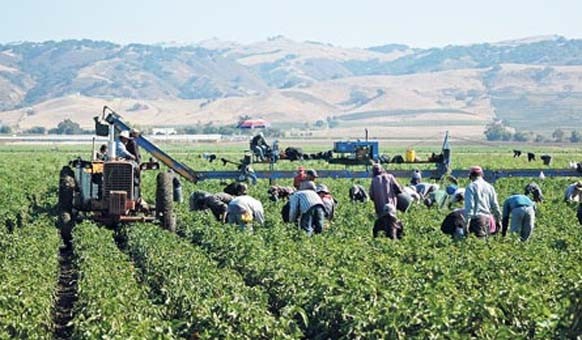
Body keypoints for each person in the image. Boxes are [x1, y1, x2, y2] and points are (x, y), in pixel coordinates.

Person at [464, 166, 502, 238]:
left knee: (477, 243)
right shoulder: (489, 187)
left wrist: (467, 221)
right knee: (485, 243)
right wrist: (498, 219)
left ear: (470, 176)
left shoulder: (471, 187)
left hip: (476, 220)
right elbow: (495, 205)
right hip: (488, 219)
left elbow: (470, 206)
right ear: (482, 175)